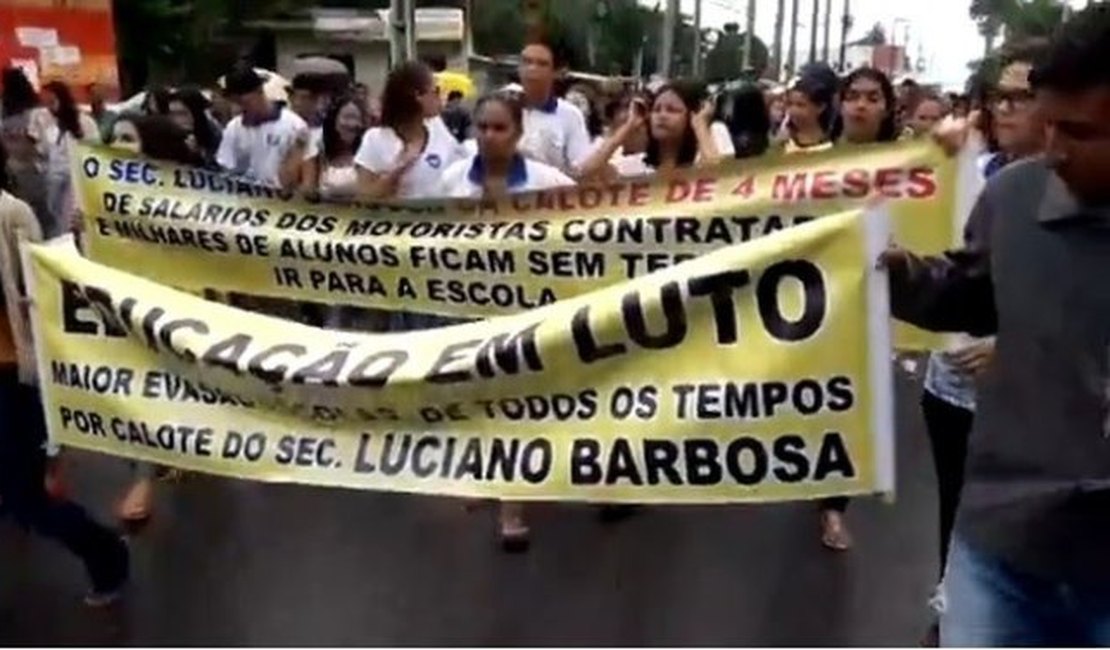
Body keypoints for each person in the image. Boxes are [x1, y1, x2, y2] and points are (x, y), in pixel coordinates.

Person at [882, 6, 1110, 644]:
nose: (1054, 150)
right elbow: (965, 296)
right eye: (1049, 123)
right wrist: (887, 270)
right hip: (1002, 549)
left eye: (1081, 132)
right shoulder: (1013, 198)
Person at [915, 39, 1049, 646]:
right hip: (950, 386)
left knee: (1022, 539)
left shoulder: (1082, 193)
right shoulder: (983, 175)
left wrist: (1010, 348)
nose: (1005, 108)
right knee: (959, 519)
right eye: (999, 95)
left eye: (1022, 96)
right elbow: (957, 276)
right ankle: (954, 612)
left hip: (1029, 403)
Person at [437, 92, 574, 551]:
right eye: (482, 127)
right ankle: (489, 478)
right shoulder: (454, 180)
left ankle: (513, 506)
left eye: (499, 128)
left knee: (517, 400)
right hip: (471, 308)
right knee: (482, 395)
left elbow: (590, 226)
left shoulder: (547, 180)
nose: (489, 136)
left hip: (530, 308)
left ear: (517, 133)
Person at [0, 138, 130, 607]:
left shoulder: (11, 214)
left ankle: (106, 555)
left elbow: (45, 297)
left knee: (29, 497)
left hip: (12, 376)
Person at [355, 61, 467, 200]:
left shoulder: (438, 128)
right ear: (418, 96)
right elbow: (364, 196)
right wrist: (399, 169)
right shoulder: (374, 139)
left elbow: (460, 174)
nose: (441, 97)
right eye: (436, 90)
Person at [582, 80, 722, 179]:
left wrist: (700, 125)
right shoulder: (636, 167)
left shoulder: (699, 163)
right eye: (656, 110)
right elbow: (587, 173)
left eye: (672, 110)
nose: (662, 116)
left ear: (691, 116)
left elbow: (719, 177)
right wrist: (628, 127)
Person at [216, 66, 310, 189]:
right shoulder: (234, 127)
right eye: (236, 102)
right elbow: (227, 166)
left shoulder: (294, 126)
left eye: (245, 102)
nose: (241, 108)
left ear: (259, 91)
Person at [516, 37, 592, 174]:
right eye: (526, 62)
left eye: (542, 64)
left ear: (556, 73)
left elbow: (580, 169)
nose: (532, 68)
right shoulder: (501, 104)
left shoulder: (571, 116)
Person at [40, 81, 99, 238]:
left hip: (77, 180)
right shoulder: (49, 123)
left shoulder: (84, 122)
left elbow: (95, 151)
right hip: (54, 180)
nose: (49, 107)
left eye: (52, 102)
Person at [0, 67, 54, 234]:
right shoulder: (38, 112)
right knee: (40, 219)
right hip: (33, 171)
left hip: (12, 172)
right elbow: (45, 145)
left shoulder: (4, 110)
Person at [303, 94, 370, 201]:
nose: (352, 124)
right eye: (347, 117)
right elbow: (307, 190)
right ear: (334, 120)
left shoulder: (368, 152)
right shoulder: (319, 151)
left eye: (357, 118)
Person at [781, 63, 840, 153]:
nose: (793, 110)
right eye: (790, 104)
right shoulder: (782, 140)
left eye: (800, 105)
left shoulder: (833, 143)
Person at [167, 87, 223, 168]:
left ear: (195, 112)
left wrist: (199, 154)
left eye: (182, 114)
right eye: (172, 114)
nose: (177, 120)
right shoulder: (169, 131)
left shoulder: (214, 133)